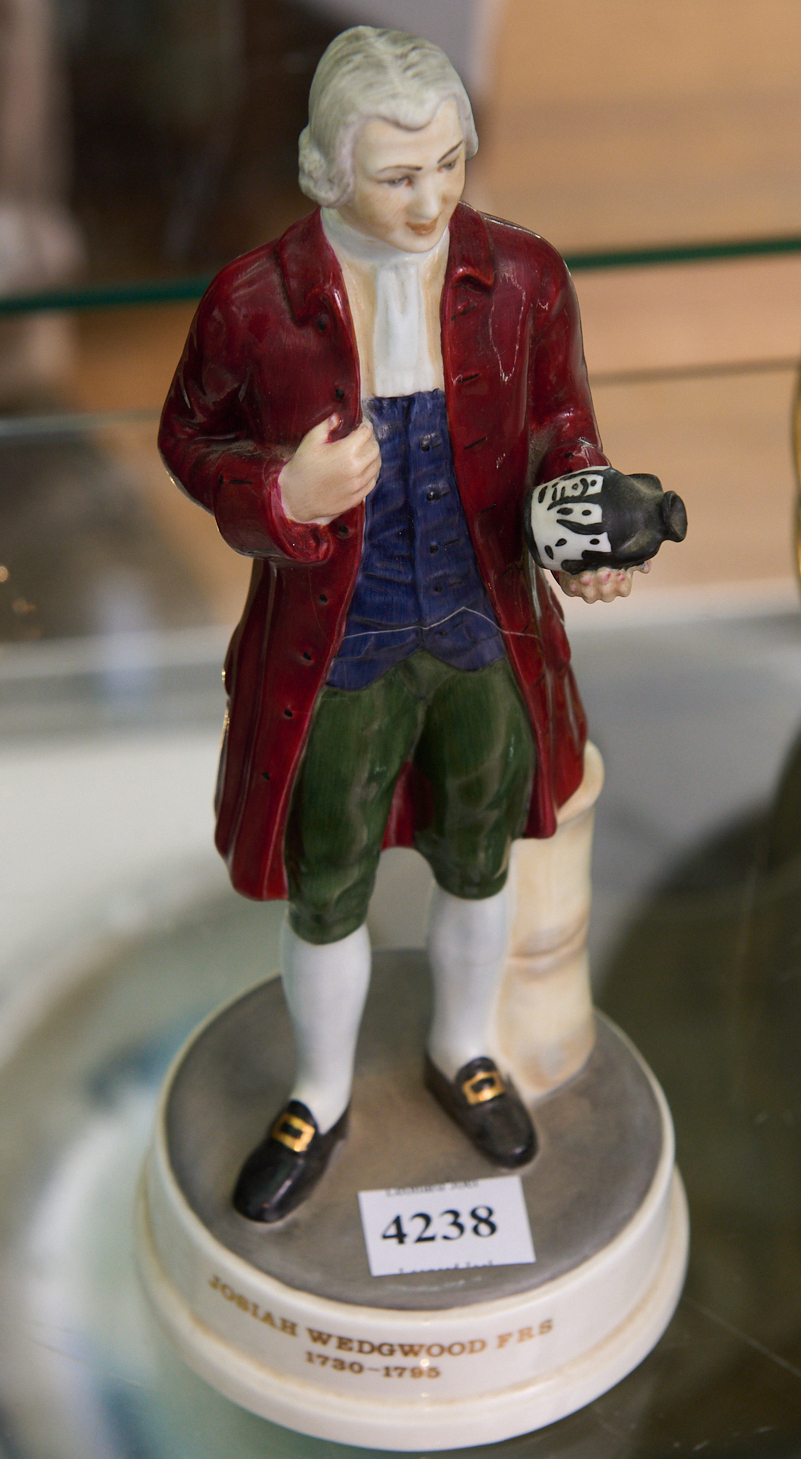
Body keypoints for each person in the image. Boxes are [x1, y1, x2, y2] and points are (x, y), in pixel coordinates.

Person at [158, 26, 642, 1223]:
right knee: (328, 872)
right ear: (327, 170)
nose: (430, 201)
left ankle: (463, 1047)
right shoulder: (253, 302)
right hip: (340, 644)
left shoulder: (524, 279)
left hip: (483, 626)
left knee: (483, 856)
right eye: (396, 175)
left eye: (447, 166)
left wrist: (581, 526)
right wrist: (281, 493)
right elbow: (190, 437)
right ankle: (319, 1092)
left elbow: (563, 430)